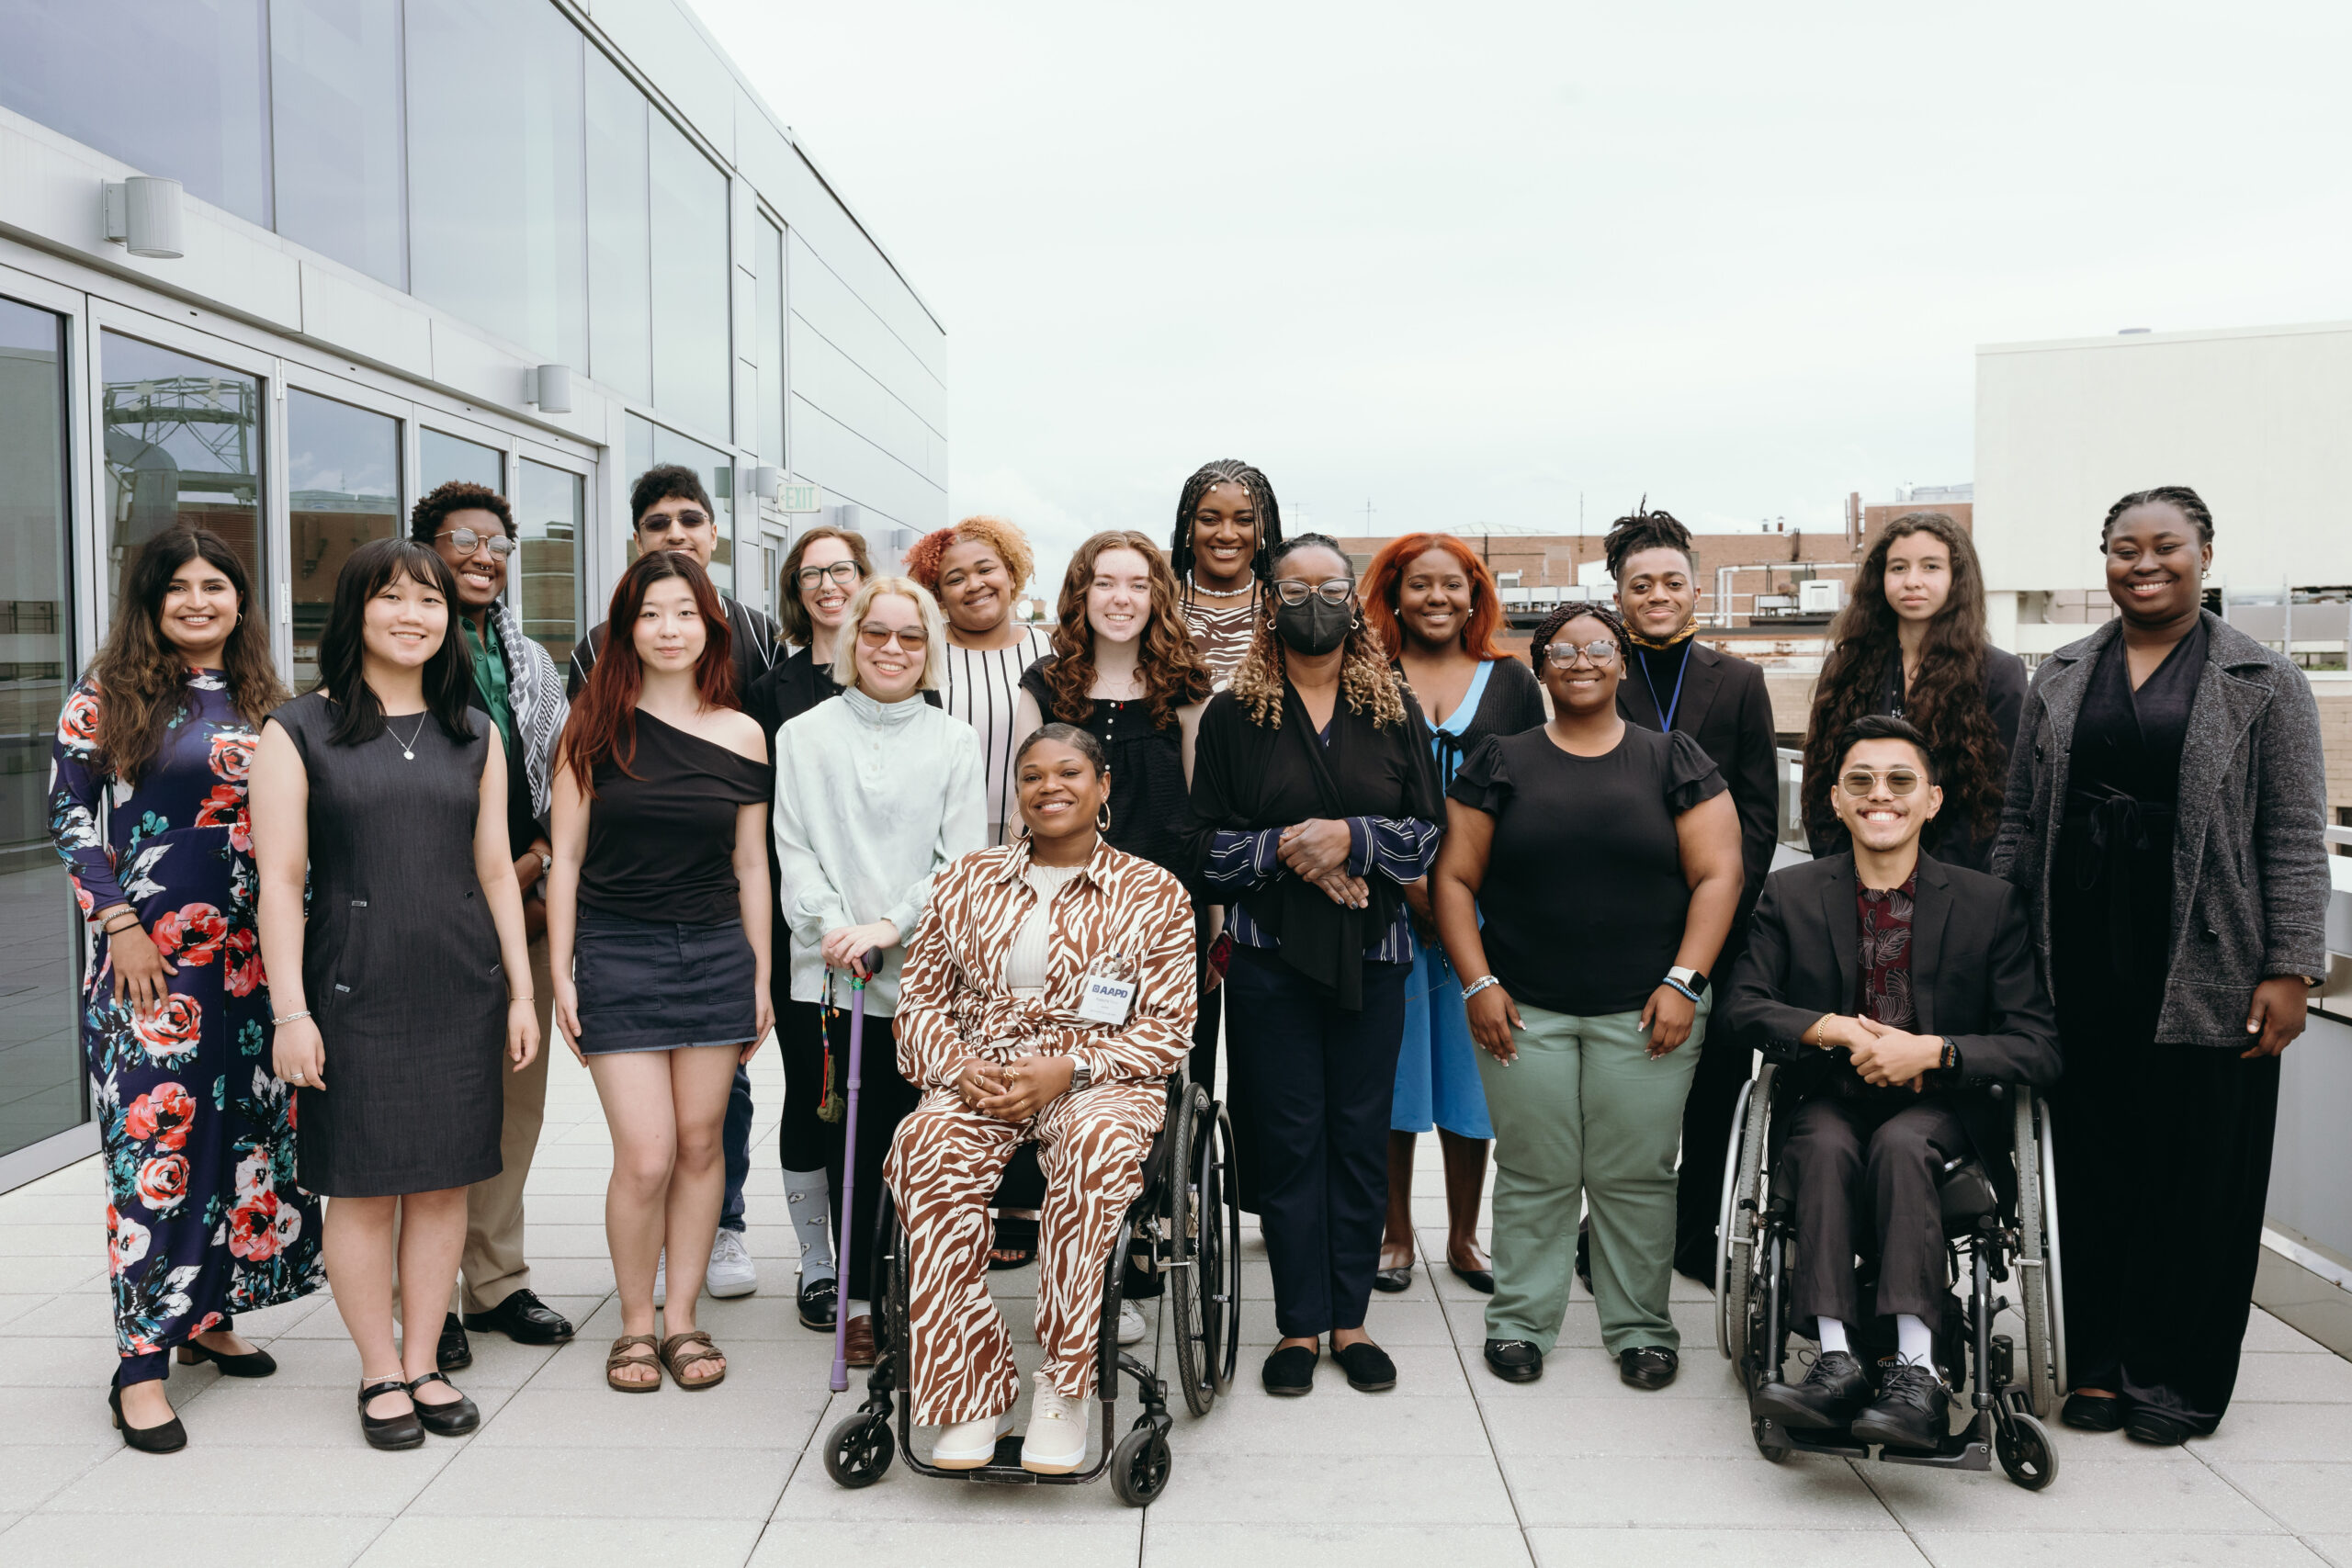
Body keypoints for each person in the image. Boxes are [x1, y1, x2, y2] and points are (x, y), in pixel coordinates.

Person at [1994, 485, 2330, 1446]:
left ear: (2204, 554)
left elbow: (2295, 835)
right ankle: (2096, 1364)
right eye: (2123, 548)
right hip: (2074, 956)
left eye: (2165, 546)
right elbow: (2019, 821)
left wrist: (2292, 967)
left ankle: (2173, 1378)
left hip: (2209, 961)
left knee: (2199, 1176)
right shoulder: (2060, 673)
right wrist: (2000, 947)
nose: (2143, 564)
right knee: (2089, 1165)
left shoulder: (2267, 680)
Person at [251, 539, 539, 1450]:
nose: (413, 616)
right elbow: (279, 883)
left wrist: (521, 993)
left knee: (447, 1185)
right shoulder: (299, 730)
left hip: (461, 984)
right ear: (355, 612)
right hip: (353, 986)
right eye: (392, 598)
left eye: (430, 601)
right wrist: (290, 1012)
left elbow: (496, 872)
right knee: (365, 1190)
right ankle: (378, 1369)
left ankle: (423, 1361)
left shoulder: (475, 732)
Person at [49, 526, 322, 1453]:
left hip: (253, 958)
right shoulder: (108, 692)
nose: (198, 601)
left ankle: (207, 1316)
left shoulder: (266, 697)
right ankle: (139, 1364)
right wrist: (117, 922)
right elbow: (69, 814)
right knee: (155, 1147)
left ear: (241, 601)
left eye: (216, 585)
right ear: (150, 600)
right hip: (154, 959)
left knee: (243, 1140)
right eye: (178, 587)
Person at [1430, 602, 1742, 1390]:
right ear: (1539, 667)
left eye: (1599, 646)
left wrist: (1685, 980)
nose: (1581, 661)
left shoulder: (1673, 758)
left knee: (1635, 1174)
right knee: (1535, 1169)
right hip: (1522, 1007)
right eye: (1562, 650)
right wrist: (1478, 982)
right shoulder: (1500, 760)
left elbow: (1719, 874)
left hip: (1648, 1010)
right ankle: (1519, 1322)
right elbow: (1454, 878)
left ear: (1622, 662)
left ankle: (1641, 1328)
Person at [1729, 716, 2060, 1447]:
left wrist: (1936, 1051)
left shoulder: (1988, 903)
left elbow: (2037, 1045)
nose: (1881, 794)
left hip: (1941, 1111)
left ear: (1932, 799)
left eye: (1900, 780)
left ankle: (1917, 1371)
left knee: (1902, 1146)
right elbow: (1742, 1006)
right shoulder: (1790, 895)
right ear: (1836, 800)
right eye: (1862, 781)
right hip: (1830, 1099)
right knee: (1823, 1146)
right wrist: (1832, 1027)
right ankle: (1836, 1361)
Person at [888, 724, 1198, 1473]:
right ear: (1017, 790)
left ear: (1103, 786)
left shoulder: (1153, 891)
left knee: (1095, 1146)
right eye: (1032, 775)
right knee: (922, 1145)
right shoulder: (965, 880)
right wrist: (958, 1066)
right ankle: (970, 1385)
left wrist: (1071, 1067)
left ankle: (1066, 1382)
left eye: (1068, 772)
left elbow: (1169, 1028)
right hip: (983, 1073)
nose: (1049, 786)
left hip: (1099, 1080)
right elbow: (919, 1002)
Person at [1184, 534, 1442, 1398]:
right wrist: (1294, 848)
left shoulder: (1393, 708)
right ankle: (1299, 1323)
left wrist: (1353, 837)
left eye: (1331, 589)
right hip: (1269, 961)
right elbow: (1204, 850)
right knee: (1291, 1138)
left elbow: (1426, 835)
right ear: (1271, 604)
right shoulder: (1234, 715)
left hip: (1376, 957)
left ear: (1355, 602)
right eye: (1294, 590)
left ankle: (1350, 1320)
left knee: (1359, 1135)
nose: (1314, 603)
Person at [548, 550, 774, 1393]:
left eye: (684, 612)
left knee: (701, 1142)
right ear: (626, 629)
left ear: (709, 624)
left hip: (715, 951)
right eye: (650, 614)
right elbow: (566, 860)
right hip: (617, 949)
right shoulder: (590, 727)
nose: (668, 629)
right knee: (645, 1155)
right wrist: (564, 972)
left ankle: (681, 1317)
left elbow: (750, 865)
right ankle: (634, 1323)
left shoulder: (743, 731)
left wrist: (759, 975)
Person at [774, 576, 986, 1367]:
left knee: (903, 1129)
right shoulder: (802, 735)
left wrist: (892, 925)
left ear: (929, 648)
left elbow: (959, 859)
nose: (891, 649)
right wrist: (834, 925)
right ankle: (851, 1292)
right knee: (834, 1128)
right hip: (827, 967)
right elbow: (793, 847)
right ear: (851, 638)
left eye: (910, 636)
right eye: (876, 633)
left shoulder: (954, 740)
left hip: (919, 969)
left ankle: (906, 1278)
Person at [1010, 531, 1213, 1334]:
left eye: (1137, 583)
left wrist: (1211, 925)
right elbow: (1019, 808)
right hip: (1065, 918)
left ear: (1157, 595)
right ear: (1081, 594)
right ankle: (1080, 1257)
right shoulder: (1044, 684)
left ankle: (1144, 1245)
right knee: (1076, 1082)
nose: (1120, 598)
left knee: (1156, 1082)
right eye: (1104, 582)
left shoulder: (1187, 687)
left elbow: (1200, 812)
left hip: (1161, 922)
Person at [412, 480, 575, 1371]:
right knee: (429, 1112)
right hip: (425, 917)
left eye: (499, 544)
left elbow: (561, 783)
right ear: (427, 549)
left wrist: (537, 863)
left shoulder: (533, 663)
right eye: (464, 540)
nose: (484, 556)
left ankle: (497, 1281)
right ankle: (428, 1298)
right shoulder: (403, 651)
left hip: (525, 911)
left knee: (516, 1106)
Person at [1360, 533, 1547, 1298]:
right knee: (1393, 1072)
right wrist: (1411, 883)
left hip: (1485, 906)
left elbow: (1532, 787)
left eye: (1452, 584)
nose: (1436, 597)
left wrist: (1464, 894)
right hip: (1387, 902)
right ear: (1394, 594)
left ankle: (1465, 1236)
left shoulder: (1513, 681)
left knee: (1476, 1073)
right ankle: (1395, 1232)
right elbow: (1355, 786)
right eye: (1419, 584)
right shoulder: (1365, 674)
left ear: (1475, 596)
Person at [1600, 507, 1780, 1284]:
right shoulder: (1595, 671)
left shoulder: (1739, 682)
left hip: (1723, 927)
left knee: (1713, 1090)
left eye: (1672, 582)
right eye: (1641, 584)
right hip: (1622, 926)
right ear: (1618, 594)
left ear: (1696, 590)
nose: (1658, 595)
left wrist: (1724, 905)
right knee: (1623, 1096)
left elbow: (1761, 813)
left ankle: (1697, 1233)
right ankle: (1607, 1237)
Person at [745, 524, 876, 1336]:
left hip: (894, 932)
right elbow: (767, 828)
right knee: (814, 1093)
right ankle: (817, 1261)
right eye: (811, 573)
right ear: (795, 591)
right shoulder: (771, 693)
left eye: (843, 569)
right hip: (805, 930)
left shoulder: (898, 673)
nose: (829, 584)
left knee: (884, 1097)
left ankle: (878, 1254)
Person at [1802, 511, 2026, 872]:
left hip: (1954, 879)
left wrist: (1931, 885)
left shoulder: (1998, 673)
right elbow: (1819, 784)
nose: (1912, 581)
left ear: (1957, 577)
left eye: (1931, 567)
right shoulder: (1845, 666)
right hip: (1849, 875)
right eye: (1899, 568)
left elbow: (1992, 802)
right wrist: (1844, 874)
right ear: (1880, 577)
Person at [906, 515, 1051, 846]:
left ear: (1011, 574)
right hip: (935, 842)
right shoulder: (920, 652)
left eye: (985, 570)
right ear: (938, 596)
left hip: (1034, 838)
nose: (974, 584)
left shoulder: (1048, 650)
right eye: (956, 579)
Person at [1170, 458, 1285, 688]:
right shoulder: (1158, 605)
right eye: (1209, 520)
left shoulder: (1283, 607)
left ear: (1264, 526)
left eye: (1244, 520)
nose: (1227, 534)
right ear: (1188, 524)